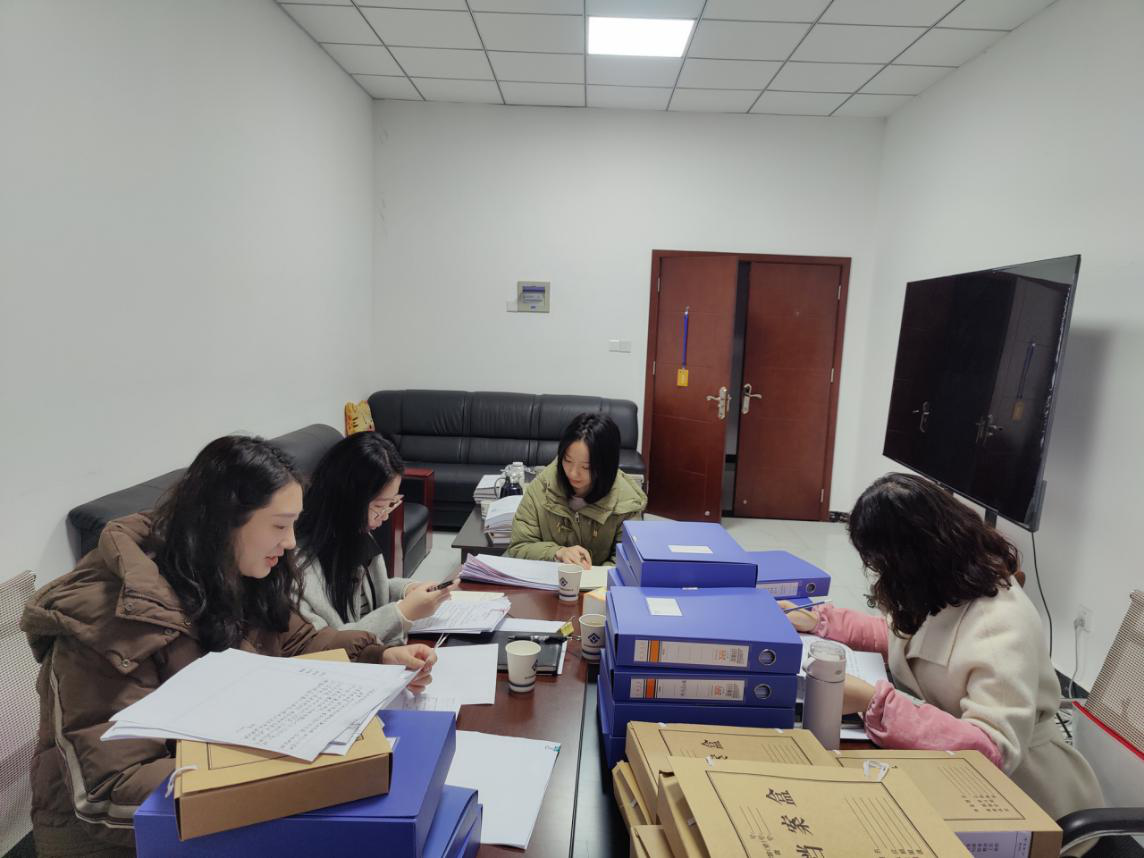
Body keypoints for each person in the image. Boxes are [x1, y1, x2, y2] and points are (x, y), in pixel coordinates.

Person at [21, 436, 436, 857]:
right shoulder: (110, 620)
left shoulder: (236, 573)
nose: (292, 543)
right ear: (224, 522)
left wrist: (377, 655)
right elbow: (109, 790)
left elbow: (300, 642)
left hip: (224, 805)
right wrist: (266, 771)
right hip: (129, 840)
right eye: (279, 526)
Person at [784, 472, 1102, 822]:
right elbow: (901, 638)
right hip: (950, 777)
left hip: (1026, 802)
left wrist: (874, 703)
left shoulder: (1001, 627)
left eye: (884, 565)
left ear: (914, 560)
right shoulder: (947, 587)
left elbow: (989, 751)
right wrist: (819, 621)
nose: (881, 576)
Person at [296, 432, 455, 643]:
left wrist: (408, 590)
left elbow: (374, 593)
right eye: (379, 506)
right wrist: (402, 613)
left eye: (391, 503)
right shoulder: (299, 567)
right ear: (348, 498)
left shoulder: (356, 532)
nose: (385, 516)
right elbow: (324, 646)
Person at [506, 412, 647, 568]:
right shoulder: (542, 487)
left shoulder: (627, 502)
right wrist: (557, 553)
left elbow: (628, 563)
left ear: (606, 466)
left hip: (598, 583)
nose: (573, 473)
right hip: (547, 579)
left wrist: (591, 575)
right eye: (567, 460)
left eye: (586, 467)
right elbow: (518, 547)